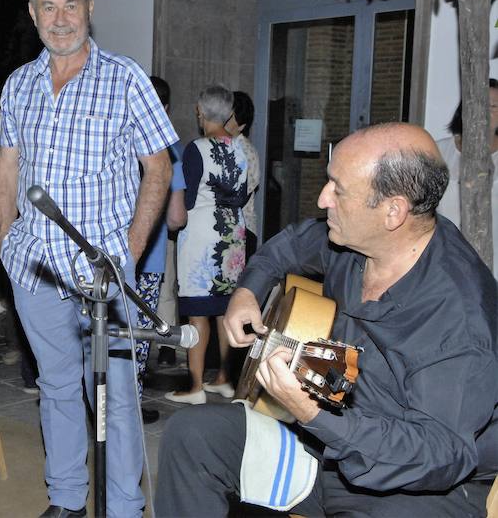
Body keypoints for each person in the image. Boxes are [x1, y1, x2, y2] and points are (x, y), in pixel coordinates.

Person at [155, 122, 498, 517]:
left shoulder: (459, 317)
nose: (322, 200)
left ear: (393, 211)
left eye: (339, 189)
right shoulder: (352, 241)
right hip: (324, 445)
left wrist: (312, 415)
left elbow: (440, 453)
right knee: (191, 434)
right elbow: (287, 246)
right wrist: (247, 292)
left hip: (415, 487)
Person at [0, 0, 177, 518]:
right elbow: (6, 169)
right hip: (35, 269)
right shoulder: (18, 85)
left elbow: (159, 171)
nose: (61, 18)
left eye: (71, 5)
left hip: (104, 275)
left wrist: (129, 255)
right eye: (48, 7)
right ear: (32, 15)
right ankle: (67, 500)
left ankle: (121, 508)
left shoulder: (126, 78)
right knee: (56, 389)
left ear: (90, 6)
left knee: (116, 399)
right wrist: (6, 241)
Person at [165, 85, 249, 405]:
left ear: (200, 112)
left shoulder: (196, 149)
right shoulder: (241, 149)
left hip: (201, 233)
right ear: (229, 114)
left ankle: (196, 385)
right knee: (225, 310)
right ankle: (225, 379)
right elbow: (241, 196)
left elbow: (187, 198)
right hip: (233, 234)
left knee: (198, 312)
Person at [134, 76, 187, 425]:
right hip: (148, 258)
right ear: (164, 108)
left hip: (105, 254)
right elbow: (175, 217)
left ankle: (96, 400)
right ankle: (129, 405)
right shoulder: (168, 150)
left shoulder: (116, 137)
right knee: (136, 335)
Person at [436, 78, 498, 281]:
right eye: (480, 104)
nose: (486, 112)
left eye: (494, 106)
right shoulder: (438, 151)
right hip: (444, 258)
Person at [230, 90, 260, 256]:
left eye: (229, 117)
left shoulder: (245, 151)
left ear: (241, 124)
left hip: (242, 231)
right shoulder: (226, 146)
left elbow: (238, 196)